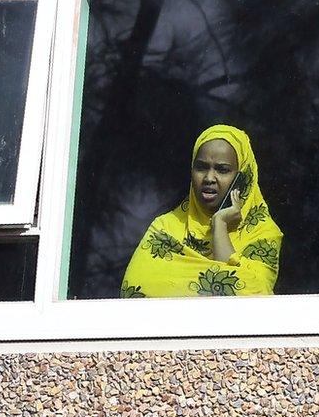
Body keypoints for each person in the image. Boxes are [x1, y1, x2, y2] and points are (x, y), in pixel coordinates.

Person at [120, 125, 283, 298]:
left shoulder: (263, 234)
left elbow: (252, 297)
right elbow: (134, 292)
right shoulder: (165, 228)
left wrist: (220, 224)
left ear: (242, 179)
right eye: (201, 167)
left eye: (222, 170)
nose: (209, 178)